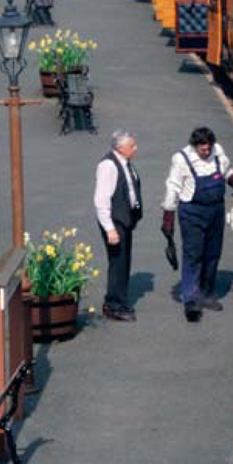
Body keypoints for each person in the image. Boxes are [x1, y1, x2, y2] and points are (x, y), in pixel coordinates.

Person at [161, 125, 233, 322]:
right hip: (192, 212)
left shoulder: (218, 151)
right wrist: (168, 217)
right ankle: (191, 299)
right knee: (193, 254)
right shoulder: (181, 159)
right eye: (203, 149)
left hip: (216, 210)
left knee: (213, 253)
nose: (207, 152)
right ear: (195, 146)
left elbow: (227, 169)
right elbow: (173, 187)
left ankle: (206, 293)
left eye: (209, 148)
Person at [93, 131, 142, 322]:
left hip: (124, 220)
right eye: (132, 146)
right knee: (118, 263)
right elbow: (101, 199)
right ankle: (114, 305)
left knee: (123, 262)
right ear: (120, 148)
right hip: (115, 222)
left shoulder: (124, 163)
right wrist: (109, 228)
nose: (135, 148)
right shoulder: (108, 166)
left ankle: (119, 301)